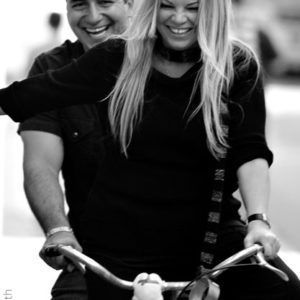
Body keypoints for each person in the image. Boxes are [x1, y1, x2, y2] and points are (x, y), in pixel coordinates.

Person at [0, 0, 300, 299]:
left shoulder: (238, 65)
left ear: (212, 11)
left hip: (211, 237)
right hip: (118, 243)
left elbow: (250, 151)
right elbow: (31, 95)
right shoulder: (117, 56)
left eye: (193, 8)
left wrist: (258, 221)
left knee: (285, 292)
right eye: (167, 6)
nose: (179, 18)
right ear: (151, 8)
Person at [18, 0, 133, 299]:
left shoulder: (166, 60)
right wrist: (58, 230)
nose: (93, 16)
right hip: (90, 253)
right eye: (80, 4)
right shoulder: (50, 65)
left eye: (105, 2)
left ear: (130, 4)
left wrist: (257, 219)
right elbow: (41, 164)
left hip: (183, 249)